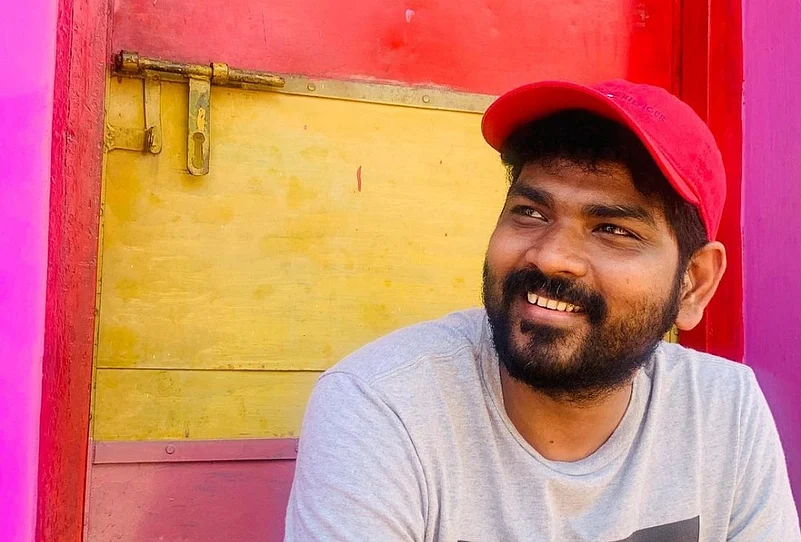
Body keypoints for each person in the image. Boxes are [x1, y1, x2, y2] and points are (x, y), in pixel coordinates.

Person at [284, 79, 801, 541]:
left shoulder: (721, 410)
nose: (551, 256)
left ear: (693, 284)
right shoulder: (385, 406)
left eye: (612, 229)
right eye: (530, 213)